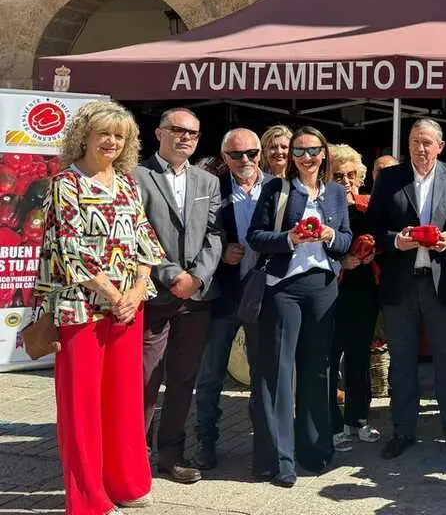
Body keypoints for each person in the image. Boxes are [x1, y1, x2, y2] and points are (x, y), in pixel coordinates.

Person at [36, 100, 164, 515]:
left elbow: (145, 240)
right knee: (83, 407)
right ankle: (89, 498)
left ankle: (125, 483)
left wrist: (139, 286)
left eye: (119, 135)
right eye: (103, 133)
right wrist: (113, 295)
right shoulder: (64, 185)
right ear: (84, 135)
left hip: (128, 306)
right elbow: (69, 249)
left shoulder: (126, 183)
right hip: (80, 309)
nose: (111, 141)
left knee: (124, 401)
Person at [247, 126, 352, 487]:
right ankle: (281, 459)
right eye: (299, 152)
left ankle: (316, 449)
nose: (306, 158)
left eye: (313, 151)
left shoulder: (336, 192)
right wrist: (290, 238)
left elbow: (346, 240)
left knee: (319, 370)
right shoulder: (276, 188)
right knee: (279, 372)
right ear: (291, 157)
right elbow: (256, 236)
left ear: (324, 154)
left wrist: (330, 236)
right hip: (284, 288)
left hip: (323, 286)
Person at [368, 119, 446, 461]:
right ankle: (403, 430)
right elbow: (373, 224)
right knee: (402, 361)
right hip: (401, 282)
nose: (421, 148)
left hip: (442, 283)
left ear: (440, 146)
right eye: (415, 141)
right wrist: (394, 240)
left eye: (427, 142)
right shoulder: (390, 177)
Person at [135, 108, 222, 485]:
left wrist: (198, 277)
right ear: (159, 133)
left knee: (184, 378)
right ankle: (134, 457)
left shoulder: (208, 181)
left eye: (193, 133)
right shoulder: (136, 176)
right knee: (145, 380)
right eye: (177, 130)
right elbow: (136, 232)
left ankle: (171, 455)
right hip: (154, 294)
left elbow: (216, 235)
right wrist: (172, 275)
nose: (185, 138)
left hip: (196, 299)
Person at [193, 129, 272, 470]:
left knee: (262, 375)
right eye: (237, 155)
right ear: (224, 158)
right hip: (223, 295)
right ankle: (205, 441)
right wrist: (221, 251)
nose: (246, 161)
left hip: (263, 295)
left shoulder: (276, 187)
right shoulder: (211, 188)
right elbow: (195, 234)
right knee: (210, 375)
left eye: (252, 153)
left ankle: (263, 446)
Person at [328, 144, 381, 447]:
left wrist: (374, 251)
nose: (346, 181)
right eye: (338, 175)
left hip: (363, 289)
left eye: (351, 175)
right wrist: (340, 262)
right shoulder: (321, 207)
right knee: (329, 358)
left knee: (360, 358)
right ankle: (333, 423)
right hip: (331, 291)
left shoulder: (367, 207)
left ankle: (358, 419)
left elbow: (383, 242)